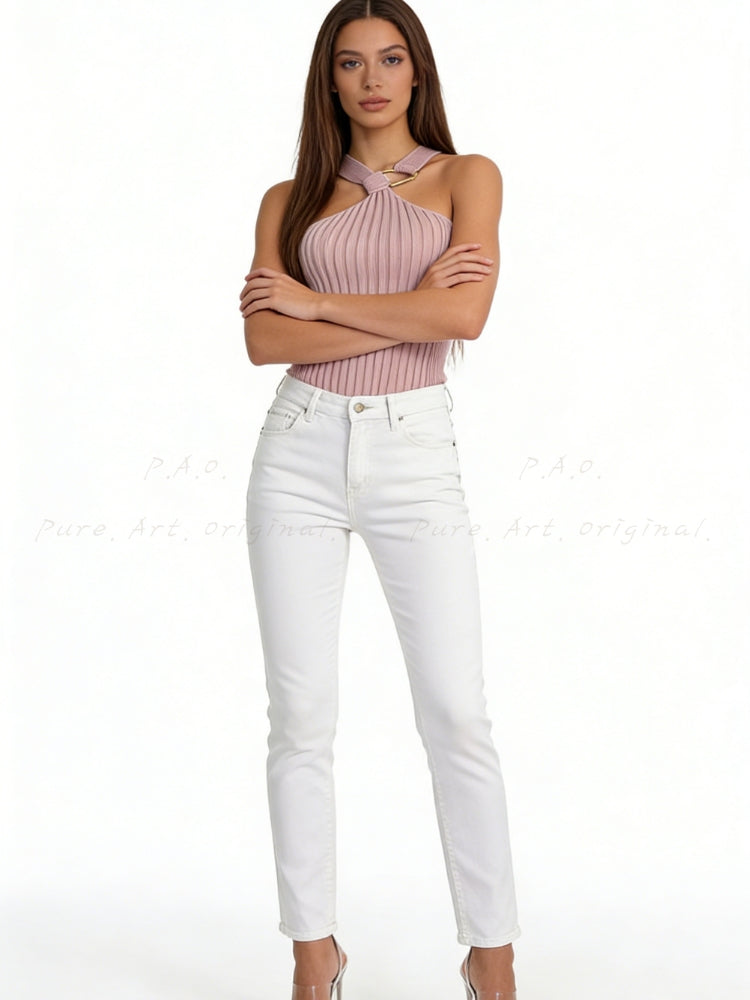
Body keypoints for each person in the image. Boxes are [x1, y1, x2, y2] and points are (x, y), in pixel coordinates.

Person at [238, 2, 520, 997]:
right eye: (352, 62)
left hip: (414, 452)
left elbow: (465, 315)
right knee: (301, 714)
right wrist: (405, 309)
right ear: (329, 79)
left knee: (455, 711)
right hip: (298, 450)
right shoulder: (289, 199)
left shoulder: (467, 177)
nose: (372, 80)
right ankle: (313, 952)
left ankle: (492, 953)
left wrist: (317, 301)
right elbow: (265, 341)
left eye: (391, 59)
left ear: (417, 72)